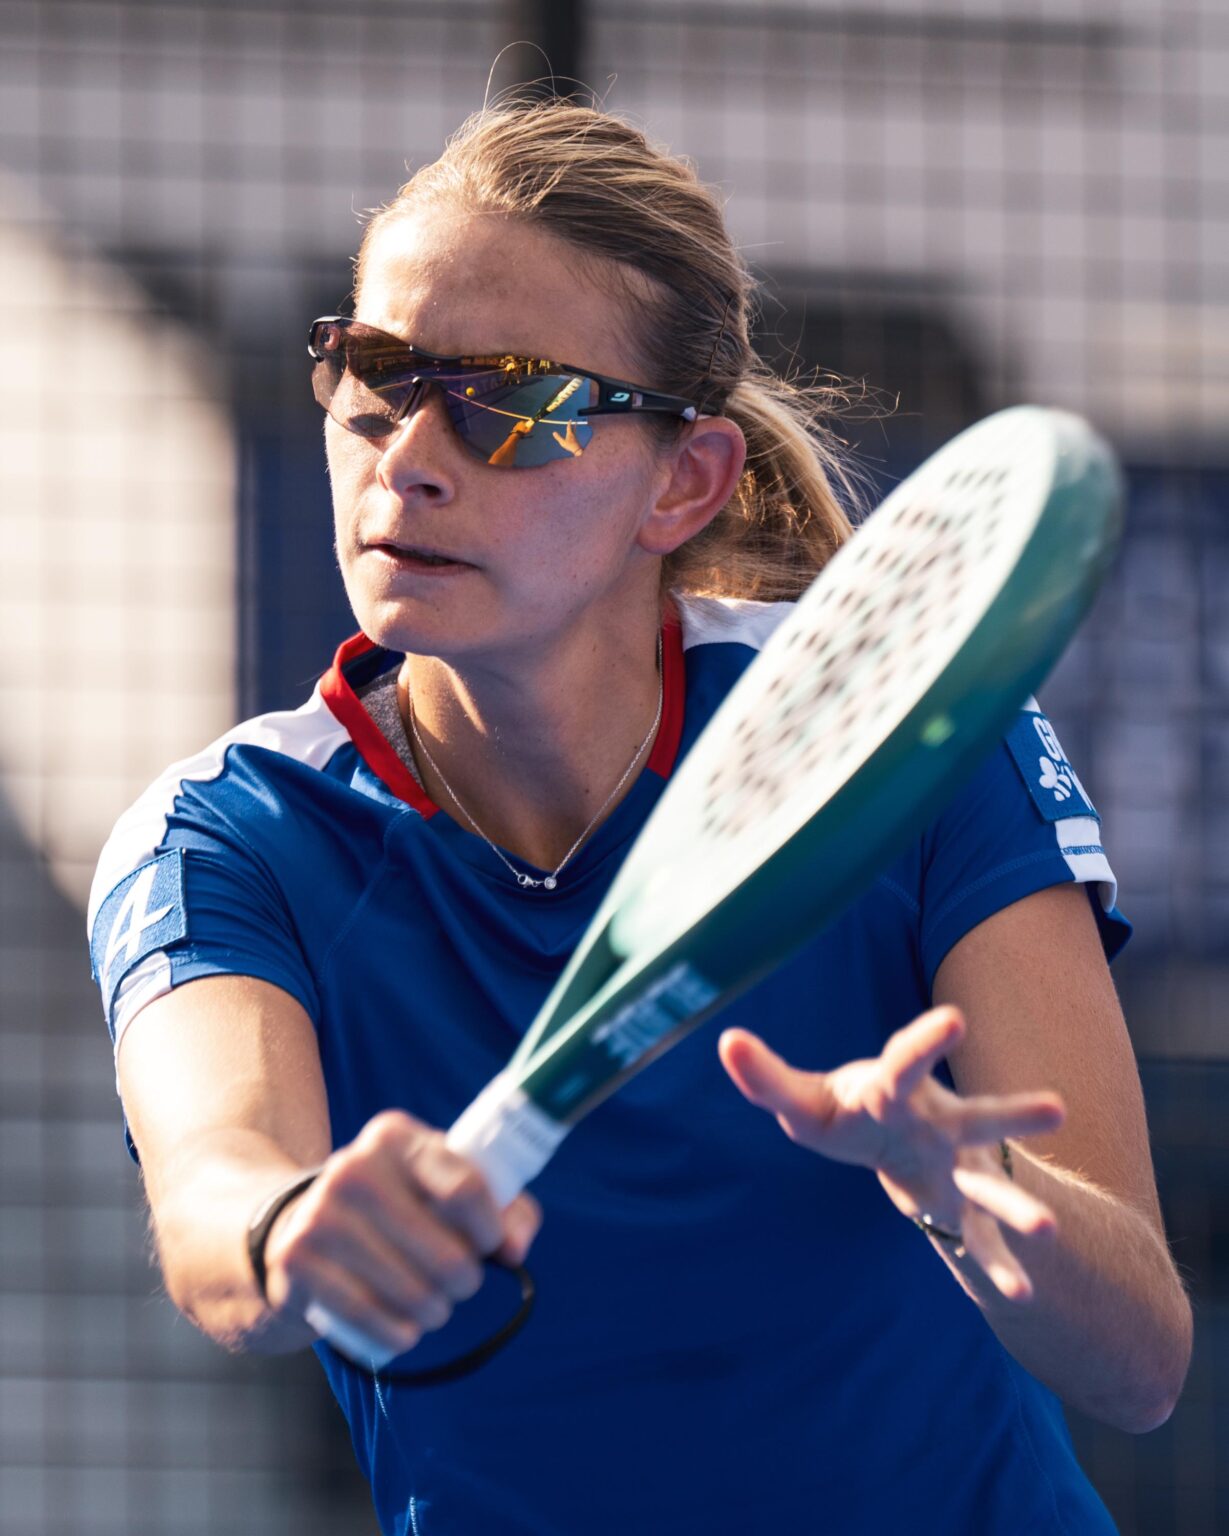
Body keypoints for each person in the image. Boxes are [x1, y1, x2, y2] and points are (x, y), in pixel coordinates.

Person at [87, 99, 1192, 1535]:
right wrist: (295, 1226)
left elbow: (1141, 1363)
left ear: (683, 481)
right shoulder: (226, 839)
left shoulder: (900, 726)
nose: (409, 453)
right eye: (377, 372)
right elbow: (214, 1204)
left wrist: (953, 1177)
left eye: (513, 401)